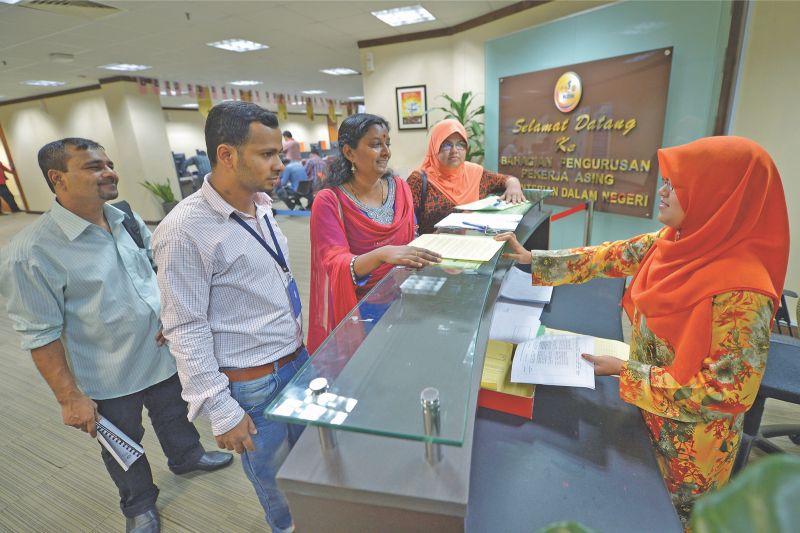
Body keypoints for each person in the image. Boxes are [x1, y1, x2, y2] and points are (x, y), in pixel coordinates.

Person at [496, 136, 790, 524]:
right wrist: (535, 259)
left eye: (676, 185)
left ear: (717, 195)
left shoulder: (743, 291)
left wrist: (624, 371)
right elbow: (610, 255)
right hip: (644, 415)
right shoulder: (675, 242)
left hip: (685, 456)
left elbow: (722, 395)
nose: (662, 193)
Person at [0, 138, 233, 533]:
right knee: (123, 444)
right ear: (58, 178)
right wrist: (69, 397)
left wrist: (169, 314)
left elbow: (153, 269)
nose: (109, 172)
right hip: (107, 375)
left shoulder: (124, 217)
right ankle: (138, 504)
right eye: (93, 167)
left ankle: (187, 456)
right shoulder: (31, 252)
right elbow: (39, 333)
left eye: (108, 163)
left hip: (161, 353)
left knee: (175, 413)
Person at [152, 102, 306, 533]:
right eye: (267, 154)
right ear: (227, 155)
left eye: (279, 152)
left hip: (295, 360)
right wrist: (221, 409)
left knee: (310, 473)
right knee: (280, 491)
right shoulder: (185, 230)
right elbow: (184, 326)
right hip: (252, 383)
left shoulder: (262, 205)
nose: (281, 164)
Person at [308, 113, 441, 353]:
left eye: (387, 143)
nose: (386, 152)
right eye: (375, 144)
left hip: (405, 300)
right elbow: (334, 262)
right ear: (349, 153)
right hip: (361, 311)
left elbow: (411, 239)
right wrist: (382, 254)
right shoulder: (329, 201)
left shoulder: (399, 187)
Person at [407, 119, 525, 234]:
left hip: (474, 247)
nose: (454, 151)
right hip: (431, 250)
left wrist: (514, 186)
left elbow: (505, 179)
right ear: (435, 146)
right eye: (447, 145)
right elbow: (406, 227)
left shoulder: (476, 173)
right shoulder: (418, 181)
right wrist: (436, 235)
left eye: (460, 145)